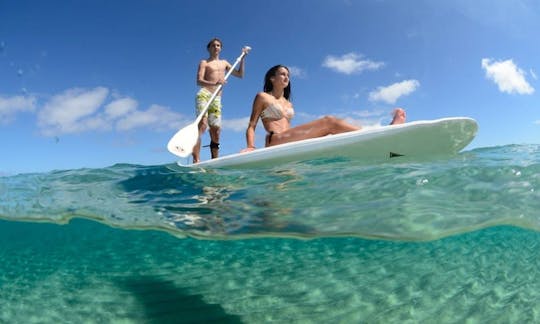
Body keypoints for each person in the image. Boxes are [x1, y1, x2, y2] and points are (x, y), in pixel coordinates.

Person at [242, 65, 406, 152]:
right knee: (329, 122)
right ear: (272, 78)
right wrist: (251, 147)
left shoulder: (288, 103)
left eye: (288, 75)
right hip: (275, 140)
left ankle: (374, 145)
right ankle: (379, 132)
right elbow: (251, 125)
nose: (287, 77)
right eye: (282, 74)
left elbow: (289, 127)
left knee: (331, 131)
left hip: (288, 141)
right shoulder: (263, 97)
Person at [193, 37, 247, 163]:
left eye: (218, 45)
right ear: (208, 48)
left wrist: (243, 58)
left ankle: (214, 160)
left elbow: (240, 75)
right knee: (202, 125)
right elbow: (198, 81)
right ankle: (196, 159)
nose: (215, 47)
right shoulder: (204, 63)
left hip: (217, 98)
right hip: (205, 94)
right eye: (213, 45)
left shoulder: (225, 63)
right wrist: (214, 82)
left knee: (216, 131)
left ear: (220, 48)